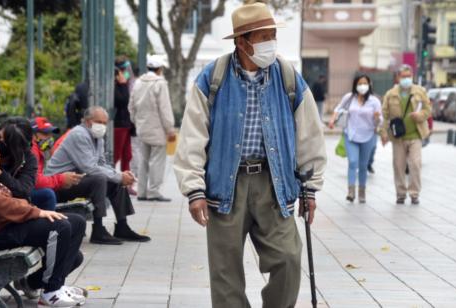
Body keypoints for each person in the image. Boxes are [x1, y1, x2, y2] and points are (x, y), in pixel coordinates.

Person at [173, 2, 327, 308]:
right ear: (242, 41)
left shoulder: (287, 76)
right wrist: (194, 190)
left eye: (274, 35)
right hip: (224, 187)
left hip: (274, 184)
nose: (272, 42)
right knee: (225, 274)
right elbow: (192, 137)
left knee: (288, 259)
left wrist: (310, 187)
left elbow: (309, 134)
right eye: (264, 36)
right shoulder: (212, 77)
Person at [0, 106, 87, 306]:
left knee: (77, 222)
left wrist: (28, 207)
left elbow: (5, 192)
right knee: (59, 226)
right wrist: (35, 211)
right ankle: (50, 292)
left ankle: (56, 286)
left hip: (2, 222)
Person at [45, 107, 151, 245]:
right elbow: (89, 168)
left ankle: (122, 226)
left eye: (104, 123)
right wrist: (118, 176)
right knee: (100, 178)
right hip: (58, 184)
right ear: (88, 122)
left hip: (75, 180)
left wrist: (120, 175)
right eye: (98, 122)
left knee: (113, 179)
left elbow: (102, 164)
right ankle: (98, 230)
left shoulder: (97, 137)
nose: (102, 126)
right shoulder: (79, 134)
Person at [381, 64, 431, 205]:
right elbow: (385, 116)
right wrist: (383, 133)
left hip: (415, 135)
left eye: (409, 76)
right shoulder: (390, 94)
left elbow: (428, 109)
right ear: (398, 77)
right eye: (404, 76)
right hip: (398, 137)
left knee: (415, 164)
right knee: (398, 165)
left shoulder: (420, 91)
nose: (406, 79)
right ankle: (401, 193)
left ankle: (414, 193)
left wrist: (420, 115)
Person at [129, 55, 176, 202]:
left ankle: (141, 192)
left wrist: (137, 122)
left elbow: (131, 107)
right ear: (159, 69)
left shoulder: (138, 83)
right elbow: (165, 108)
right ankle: (154, 191)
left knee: (143, 161)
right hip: (158, 130)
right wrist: (170, 129)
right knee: (157, 161)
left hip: (142, 129)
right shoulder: (160, 84)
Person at [329, 75, 382, 203]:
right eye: (360, 83)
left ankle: (362, 192)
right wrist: (332, 119)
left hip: (368, 136)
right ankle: (351, 191)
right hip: (351, 135)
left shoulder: (374, 101)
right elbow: (338, 108)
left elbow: (380, 121)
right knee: (353, 162)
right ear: (355, 84)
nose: (362, 86)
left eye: (365, 83)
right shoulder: (349, 97)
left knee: (363, 166)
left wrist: (376, 117)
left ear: (369, 85)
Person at [30, 117, 83, 212]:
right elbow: (35, 181)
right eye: (45, 134)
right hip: (22, 193)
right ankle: (49, 225)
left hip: (26, 189)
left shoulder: (38, 149)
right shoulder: (32, 149)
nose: (50, 138)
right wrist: (61, 179)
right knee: (47, 194)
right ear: (33, 135)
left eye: (50, 134)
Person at [113, 66, 134, 174]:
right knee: (116, 154)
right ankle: (110, 180)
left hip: (125, 123)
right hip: (119, 124)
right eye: (120, 73)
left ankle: (126, 182)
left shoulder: (120, 86)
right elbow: (123, 100)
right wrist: (123, 84)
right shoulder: (116, 87)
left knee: (127, 155)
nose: (123, 75)